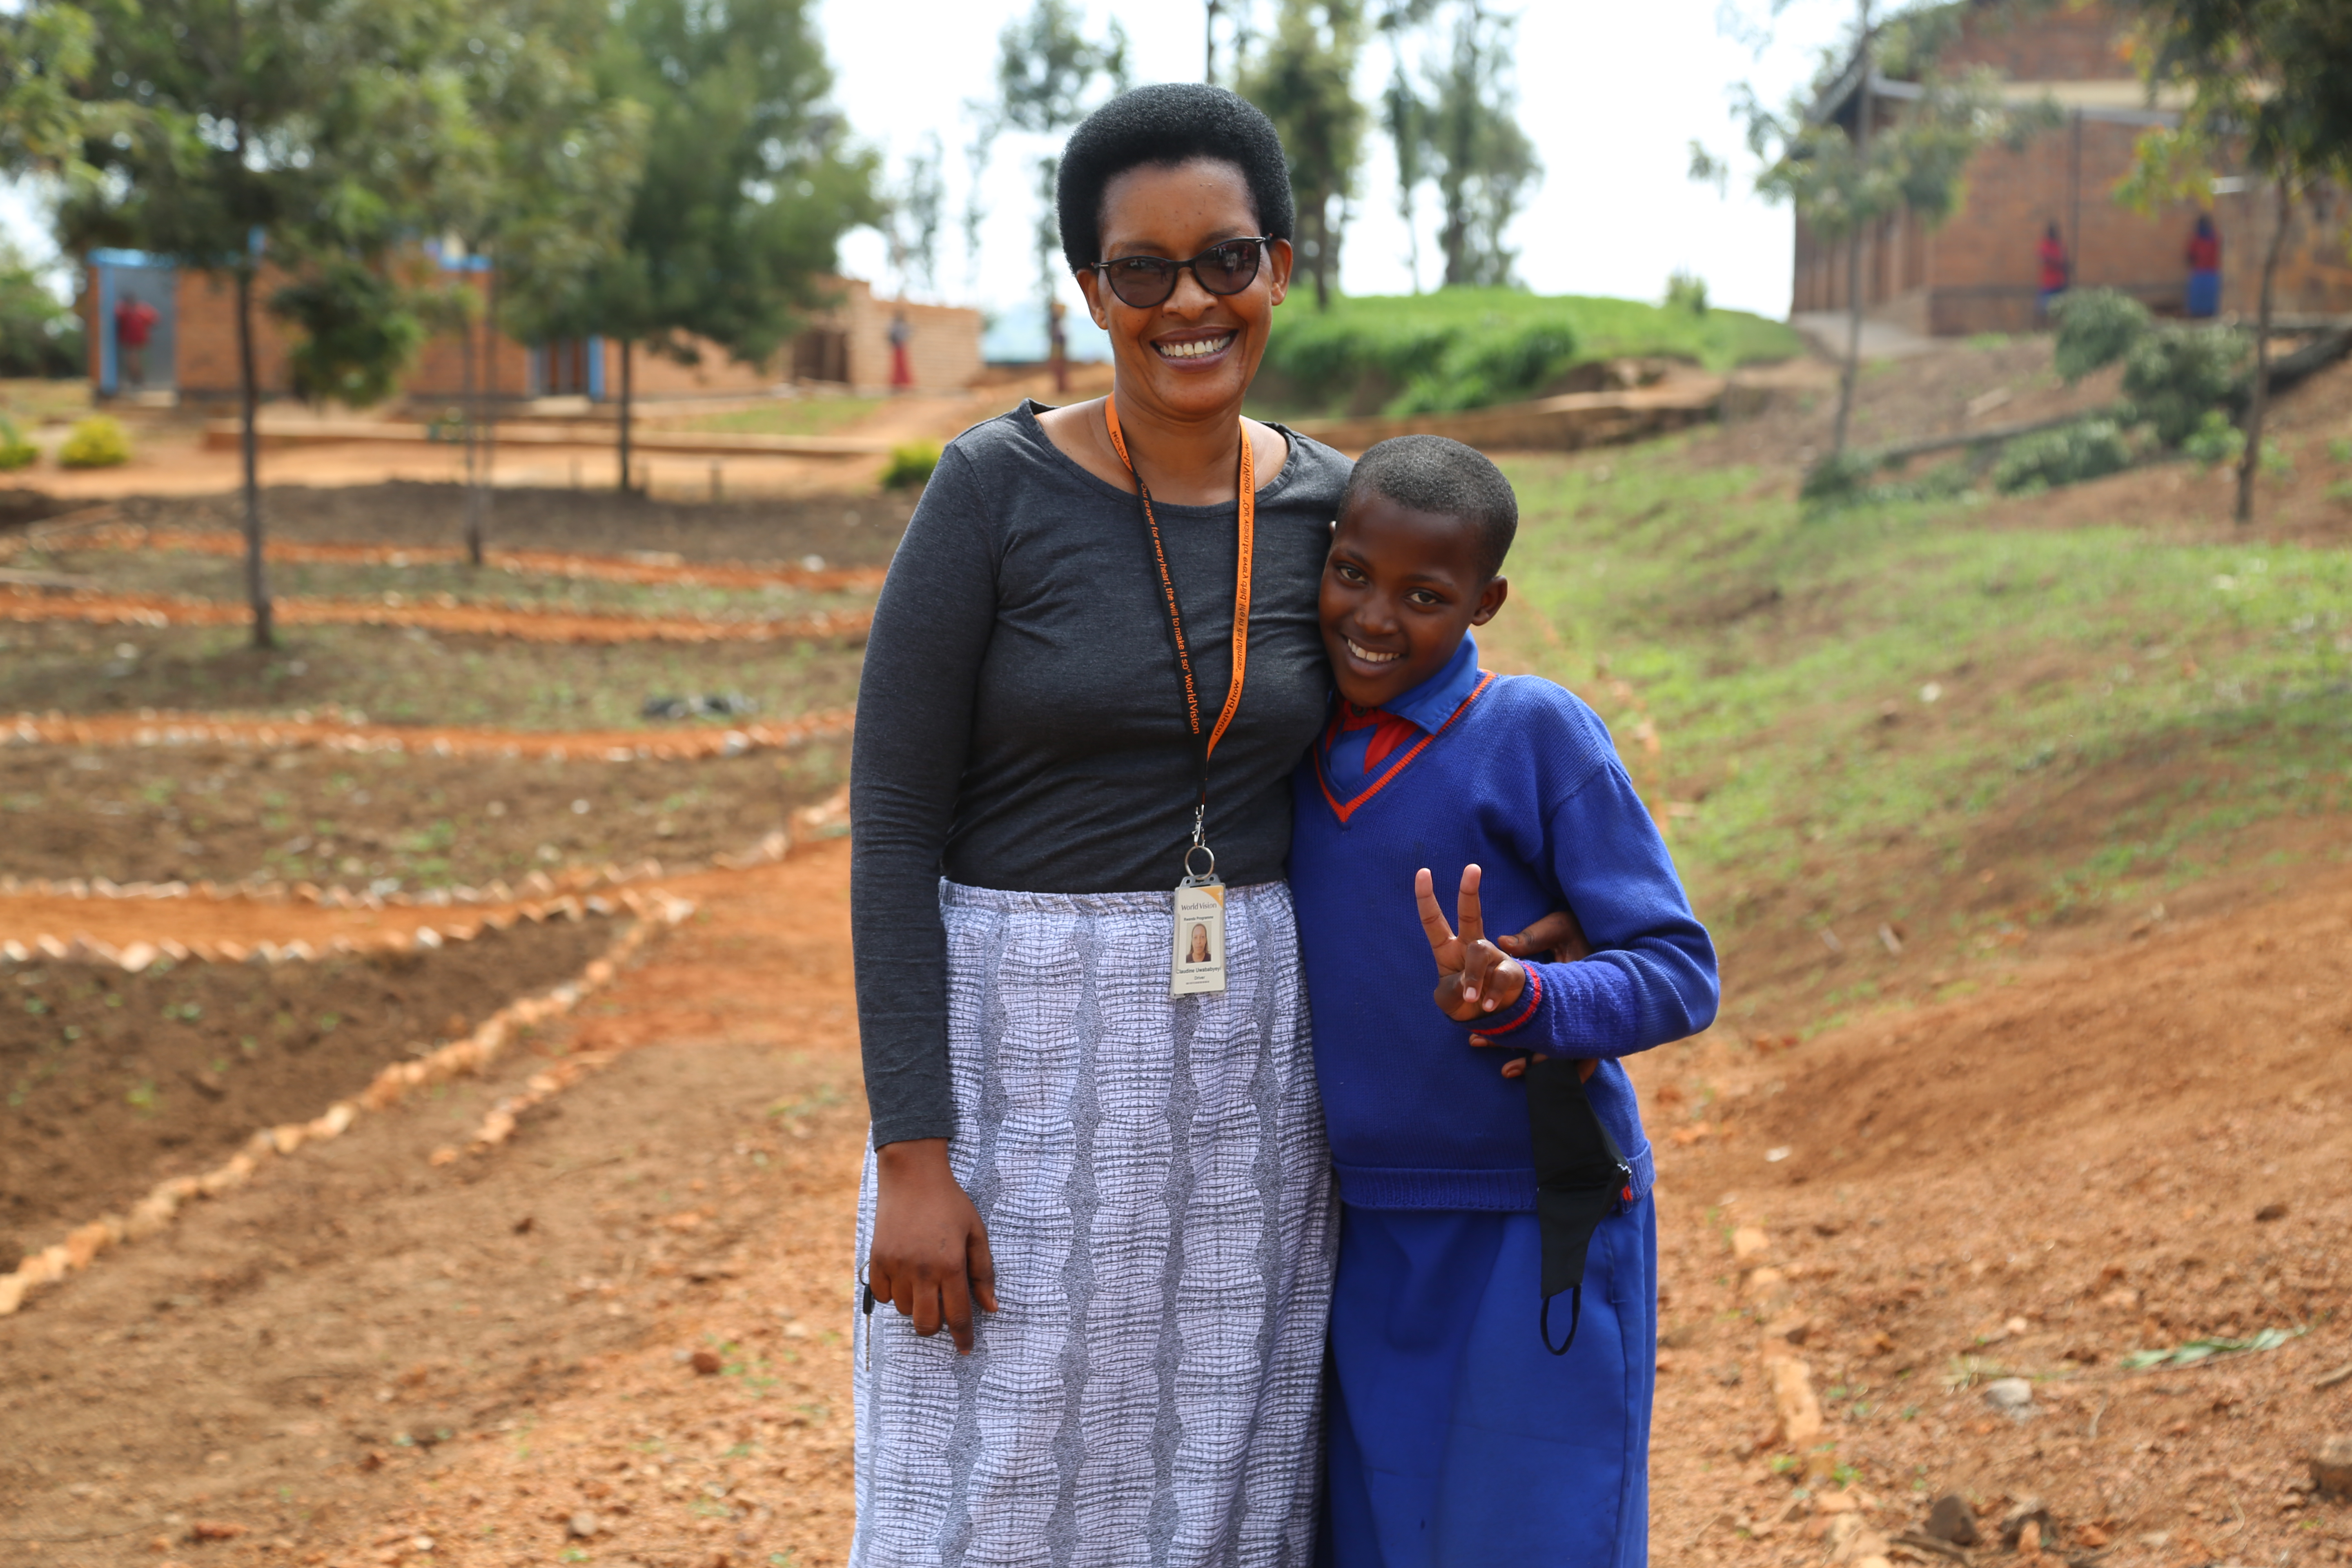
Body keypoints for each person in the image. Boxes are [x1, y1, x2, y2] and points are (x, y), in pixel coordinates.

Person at [848, 82, 1350, 1567]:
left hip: (1253, 1071)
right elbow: (889, 835)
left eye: (1225, 261)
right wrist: (914, 1157)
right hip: (1023, 1061)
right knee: (995, 1469)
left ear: (1279, 266)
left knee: (1223, 1458)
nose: (1187, 302)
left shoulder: (1336, 508)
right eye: (1142, 269)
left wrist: (1556, 910)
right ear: (1086, 289)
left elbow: (1425, 760)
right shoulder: (992, 493)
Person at [1287, 435, 1719, 1568]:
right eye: (1351, 575)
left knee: (1532, 1535)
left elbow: (1679, 968)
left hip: (1538, 1218)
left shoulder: (1532, 735)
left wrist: (1532, 996)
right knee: (1384, 1533)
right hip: (1365, 1230)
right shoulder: (1285, 743)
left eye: (1424, 597)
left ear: (1488, 601)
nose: (1374, 618)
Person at [114, 291, 159, 389]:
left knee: (139, 362)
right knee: (132, 362)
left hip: (140, 342)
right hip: (129, 343)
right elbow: (117, 316)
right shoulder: (123, 310)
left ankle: (139, 382)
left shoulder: (141, 310)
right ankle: (136, 382)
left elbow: (154, 319)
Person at [2186, 214, 2222, 319]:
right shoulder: (2198, 240)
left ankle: (2206, 316)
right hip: (2203, 272)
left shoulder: (2214, 239)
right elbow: (2190, 256)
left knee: (2207, 299)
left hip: (2208, 272)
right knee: (2201, 299)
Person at [2036, 222, 2071, 323]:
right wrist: (2057, 263)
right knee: (2043, 310)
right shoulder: (2045, 245)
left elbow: (2065, 263)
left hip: (2060, 283)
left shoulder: (2060, 246)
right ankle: (2041, 332)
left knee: (2061, 311)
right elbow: (2044, 259)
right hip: (2048, 284)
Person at [887, 310, 914, 392]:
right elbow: (890, 335)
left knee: (903, 365)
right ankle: (897, 384)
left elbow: (908, 333)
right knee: (897, 366)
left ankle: (905, 384)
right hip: (897, 347)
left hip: (901, 347)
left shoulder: (903, 326)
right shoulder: (894, 325)